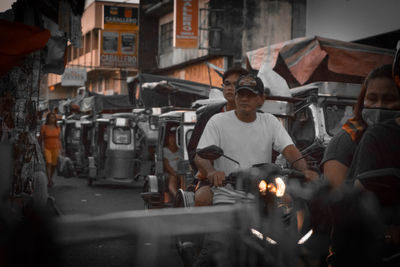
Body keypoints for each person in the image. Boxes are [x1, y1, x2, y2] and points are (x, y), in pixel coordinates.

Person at [195, 74, 316, 197]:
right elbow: (200, 156)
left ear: (261, 99)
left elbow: (289, 150)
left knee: (291, 205)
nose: (244, 99)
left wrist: (305, 171)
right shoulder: (217, 121)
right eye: (241, 94)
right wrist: (212, 172)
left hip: (264, 193)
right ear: (235, 97)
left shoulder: (270, 121)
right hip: (226, 191)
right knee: (202, 198)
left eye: (251, 95)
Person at [321, 64, 400, 190]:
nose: (379, 106)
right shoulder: (346, 140)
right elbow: (335, 199)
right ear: (363, 100)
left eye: (389, 99)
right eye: (372, 99)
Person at [187, 67, 249, 206]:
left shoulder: (262, 117)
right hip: (215, 180)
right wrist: (210, 172)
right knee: (203, 198)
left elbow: (275, 151)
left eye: (236, 84)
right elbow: (195, 151)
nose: (230, 88)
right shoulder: (209, 115)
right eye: (227, 84)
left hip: (253, 179)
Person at [39, 112, 62, 187]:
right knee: (48, 163)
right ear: (47, 118)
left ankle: (50, 178)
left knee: (54, 165)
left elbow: (59, 139)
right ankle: (49, 180)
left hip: (55, 148)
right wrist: (42, 148)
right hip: (46, 148)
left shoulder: (58, 128)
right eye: (50, 117)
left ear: (55, 119)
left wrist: (61, 149)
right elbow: (41, 139)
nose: (52, 119)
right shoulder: (44, 127)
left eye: (53, 117)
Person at [163, 127, 183, 200]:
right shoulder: (165, 150)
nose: (172, 140)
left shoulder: (181, 150)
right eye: (170, 138)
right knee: (172, 182)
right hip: (172, 172)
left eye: (174, 138)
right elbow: (166, 164)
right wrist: (174, 173)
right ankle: (177, 197)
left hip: (182, 172)